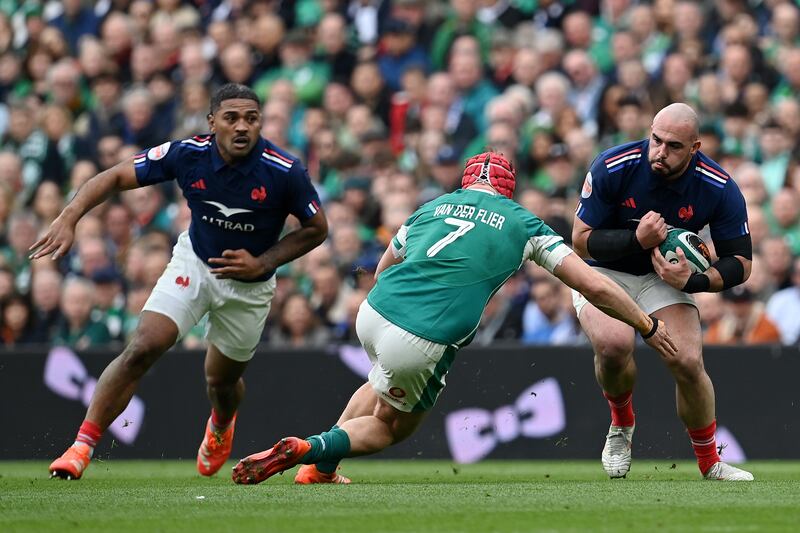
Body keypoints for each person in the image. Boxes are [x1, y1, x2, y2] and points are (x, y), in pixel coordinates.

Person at [228, 151, 678, 485]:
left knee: (379, 384)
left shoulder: (431, 207)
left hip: (374, 313)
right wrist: (647, 325)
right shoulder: (524, 222)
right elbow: (594, 285)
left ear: (466, 183)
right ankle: (308, 449)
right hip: (422, 334)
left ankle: (321, 471)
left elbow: (383, 268)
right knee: (390, 426)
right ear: (507, 189)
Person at [34, 83, 328, 480]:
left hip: (249, 286)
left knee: (221, 383)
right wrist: (69, 217)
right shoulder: (188, 153)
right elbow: (116, 176)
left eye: (251, 118)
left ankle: (221, 425)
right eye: (231, 118)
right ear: (212, 122)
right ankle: (81, 448)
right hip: (195, 264)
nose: (242, 126)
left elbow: (317, 228)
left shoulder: (284, 170)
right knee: (142, 347)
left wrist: (263, 262)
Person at [569, 103, 754, 481]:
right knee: (614, 345)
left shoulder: (718, 186)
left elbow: (741, 262)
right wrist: (636, 239)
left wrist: (693, 282)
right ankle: (621, 425)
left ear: (695, 148)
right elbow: (580, 241)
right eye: (656, 140)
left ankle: (710, 462)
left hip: (663, 279)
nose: (660, 152)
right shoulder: (613, 165)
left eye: (673, 146)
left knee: (687, 360)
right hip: (605, 271)